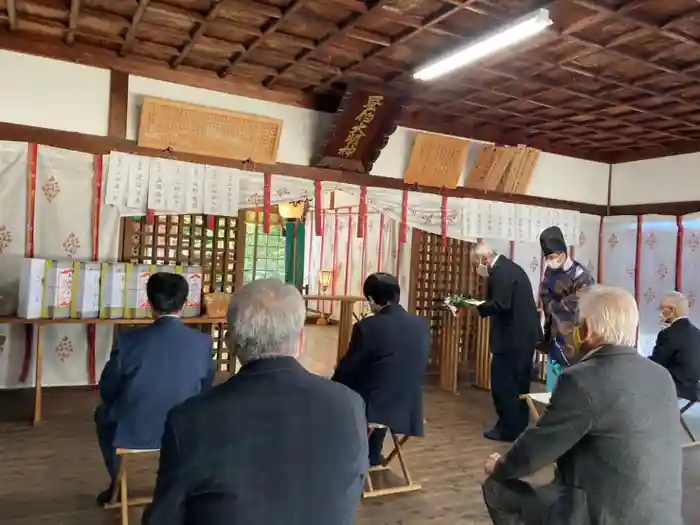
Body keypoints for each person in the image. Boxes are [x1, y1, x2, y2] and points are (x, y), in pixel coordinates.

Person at [142, 279, 368, 525]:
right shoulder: (349, 405)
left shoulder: (189, 420)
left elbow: (163, 518)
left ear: (229, 343)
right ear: (301, 340)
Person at [482, 285, 683, 525]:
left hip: (602, 515)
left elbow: (535, 450)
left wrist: (500, 466)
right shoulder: (662, 376)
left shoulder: (582, 379)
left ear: (587, 329)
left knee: (496, 488)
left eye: (578, 325)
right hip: (662, 515)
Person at [95, 272, 214, 505]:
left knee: (102, 415)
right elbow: (205, 389)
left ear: (149, 304)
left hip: (135, 429)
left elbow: (108, 390)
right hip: (185, 428)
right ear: (185, 304)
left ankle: (117, 483)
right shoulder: (202, 343)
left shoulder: (129, 342)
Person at [333, 272, 430, 466]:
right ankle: (374, 454)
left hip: (376, 406)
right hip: (409, 404)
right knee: (382, 382)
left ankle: (352, 454)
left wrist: (332, 384)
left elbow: (348, 369)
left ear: (371, 299)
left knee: (345, 389)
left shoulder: (368, 327)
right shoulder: (421, 325)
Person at [475, 242, 542, 442]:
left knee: (503, 384)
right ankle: (519, 426)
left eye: (477, 263)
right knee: (520, 384)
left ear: (484, 259)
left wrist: (478, 306)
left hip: (513, 338)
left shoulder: (500, 272)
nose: (478, 267)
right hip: (523, 337)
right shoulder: (510, 267)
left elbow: (500, 304)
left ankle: (507, 429)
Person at [538, 225, 594, 391]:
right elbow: (545, 295)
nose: (549, 261)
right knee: (553, 388)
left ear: (563, 254)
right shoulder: (550, 271)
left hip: (574, 338)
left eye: (552, 256)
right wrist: (555, 305)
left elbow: (580, 302)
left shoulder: (581, 275)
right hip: (555, 335)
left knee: (572, 387)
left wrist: (555, 305)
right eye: (547, 257)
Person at [650, 291, 700, 401]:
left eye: (662, 308)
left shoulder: (668, 334)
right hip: (693, 389)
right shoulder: (697, 333)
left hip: (672, 387)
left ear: (672, 310)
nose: (660, 313)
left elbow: (657, 363)